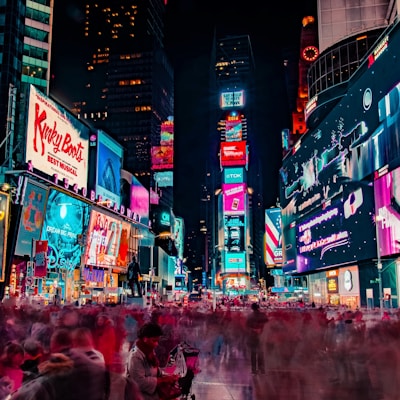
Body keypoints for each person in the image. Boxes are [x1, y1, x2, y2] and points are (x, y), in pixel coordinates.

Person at [127, 322, 179, 400]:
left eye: (157, 341)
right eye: (154, 341)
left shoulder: (149, 352)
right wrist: (162, 380)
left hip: (151, 393)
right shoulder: (135, 356)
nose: (156, 344)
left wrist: (168, 376)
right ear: (145, 339)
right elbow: (139, 382)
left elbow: (156, 371)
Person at [245, 303, 268, 375]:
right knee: (260, 353)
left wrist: (253, 330)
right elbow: (267, 324)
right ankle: (262, 369)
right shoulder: (263, 315)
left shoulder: (250, 316)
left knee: (253, 353)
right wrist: (260, 329)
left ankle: (254, 369)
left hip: (253, 336)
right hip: (261, 336)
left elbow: (247, 326)